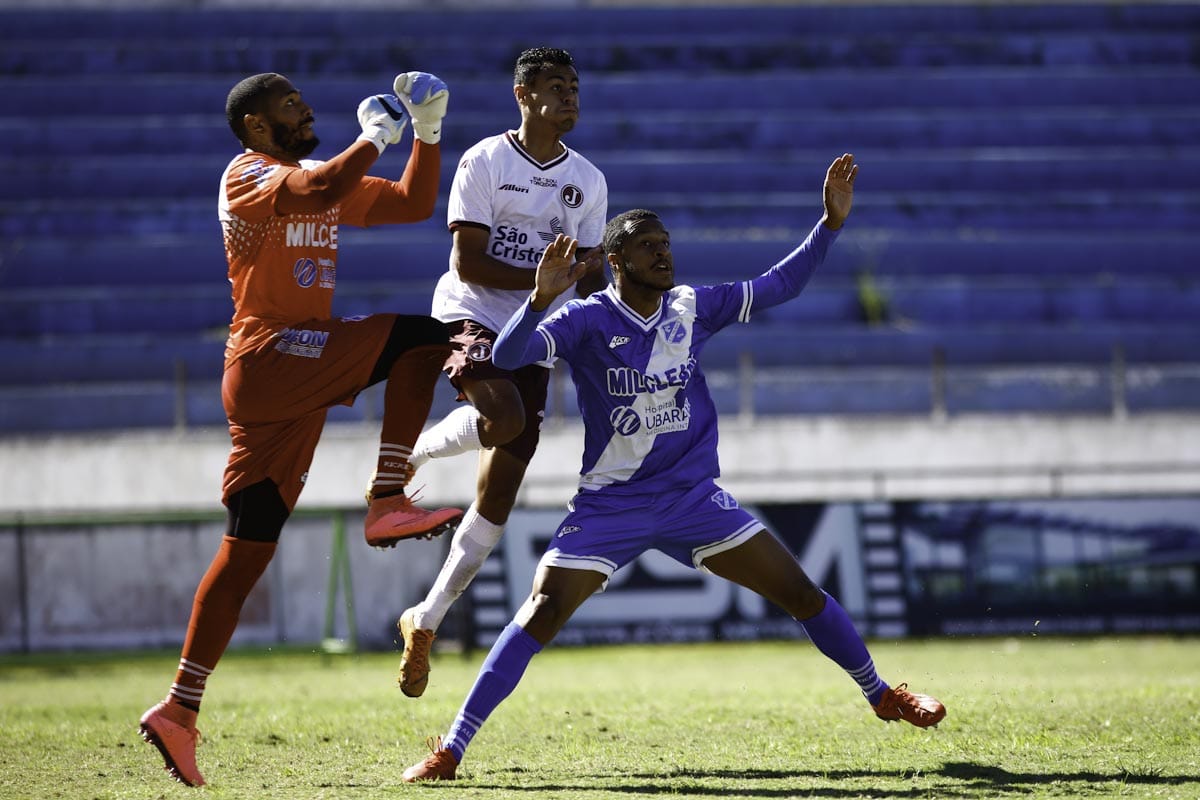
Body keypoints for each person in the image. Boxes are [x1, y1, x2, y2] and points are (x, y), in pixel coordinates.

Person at [401, 154, 947, 783]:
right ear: (617, 260)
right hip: (612, 504)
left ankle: (882, 694)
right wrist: (538, 299)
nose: (664, 254)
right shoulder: (585, 319)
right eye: (648, 246)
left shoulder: (692, 306)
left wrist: (829, 225)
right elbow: (507, 353)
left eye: (666, 243)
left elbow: (779, 285)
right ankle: (452, 750)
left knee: (801, 593)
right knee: (541, 610)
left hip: (692, 499)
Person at [138, 70, 464, 788]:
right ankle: (387, 497)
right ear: (256, 126)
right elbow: (319, 190)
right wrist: (373, 137)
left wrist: (428, 131)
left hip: (287, 372)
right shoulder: (248, 173)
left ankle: (179, 708)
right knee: (424, 339)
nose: (306, 108)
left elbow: (412, 203)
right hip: (271, 354)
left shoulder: (315, 173)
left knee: (246, 550)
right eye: (290, 104)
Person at [392, 47, 608, 699]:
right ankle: (415, 452)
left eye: (574, 87)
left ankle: (425, 619)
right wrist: (542, 283)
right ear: (523, 95)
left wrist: (603, 288)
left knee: (499, 495)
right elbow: (469, 262)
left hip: (536, 331)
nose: (569, 97)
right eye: (555, 86)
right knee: (505, 415)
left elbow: (589, 277)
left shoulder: (588, 181)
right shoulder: (485, 161)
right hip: (472, 313)